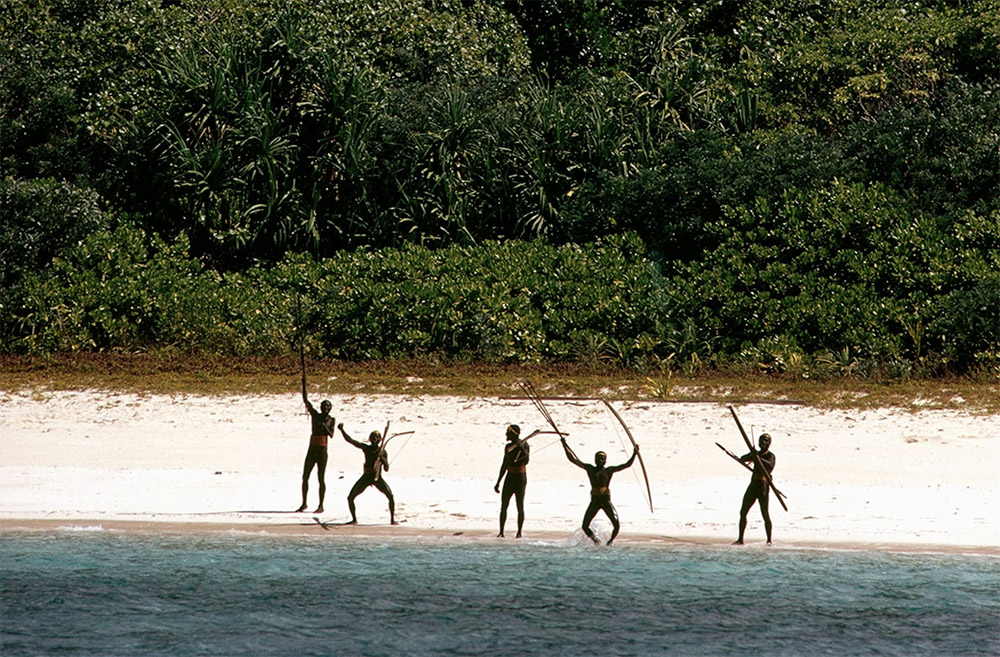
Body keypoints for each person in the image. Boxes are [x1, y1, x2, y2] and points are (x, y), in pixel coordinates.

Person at [561, 436, 638, 546]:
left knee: (616, 525)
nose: (600, 460)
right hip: (595, 501)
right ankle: (595, 540)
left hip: (606, 500)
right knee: (585, 525)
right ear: (595, 460)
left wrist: (634, 453)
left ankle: (610, 541)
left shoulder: (609, 470)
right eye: (598, 458)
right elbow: (572, 459)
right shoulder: (590, 469)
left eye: (602, 459)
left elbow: (627, 465)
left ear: (605, 460)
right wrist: (564, 445)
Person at [339, 423, 397, 525]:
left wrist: (382, 458)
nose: (374, 439)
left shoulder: (383, 452)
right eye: (373, 437)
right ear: (370, 439)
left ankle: (392, 520)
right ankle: (354, 519)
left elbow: (386, 468)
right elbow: (351, 441)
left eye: (377, 437)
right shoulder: (366, 448)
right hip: (366, 477)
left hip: (377, 478)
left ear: (380, 440)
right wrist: (342, 430)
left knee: (390, 496)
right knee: (350, 497)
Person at [494, 424, 539, 538]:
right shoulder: (508, 447)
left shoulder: (525, 445)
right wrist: (498, 481)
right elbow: (504, 464)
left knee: (520, 505)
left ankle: (519, 532)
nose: (506, 435)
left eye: (508, 433)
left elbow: (526, 459)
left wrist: (521, 447)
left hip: (520, 478)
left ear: (513, 434)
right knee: (504, 505)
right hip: (509, 477)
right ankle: (501, 532)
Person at [296, 381, 334, 514]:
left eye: (328, 406)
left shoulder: (331, 420)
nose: (326, 408)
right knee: (305, 475)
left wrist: (324, 426)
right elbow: (306, 402)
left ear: (330, 408)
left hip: (323, 448)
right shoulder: (316, 416)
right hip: (312, 447)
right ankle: (304, 503)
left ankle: (321, 505)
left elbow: (331, 434)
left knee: (321, 477)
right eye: (324, 406)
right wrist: (304, 385)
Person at [734, 433, 776, 546]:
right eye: (761, 441)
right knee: (743, 511)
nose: (763, 443)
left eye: (766, 441)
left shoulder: (770, 456)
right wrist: (753, 454)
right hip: (753, 484)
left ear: (769, 444)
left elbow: (769, 466)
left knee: (765, 513)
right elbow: (743, 459)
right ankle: (740, 539)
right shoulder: (756, 454)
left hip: (763, 486)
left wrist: (757, 458)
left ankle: (769, 540)